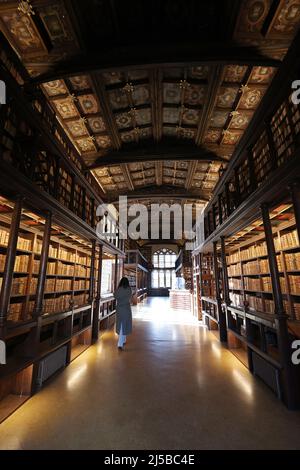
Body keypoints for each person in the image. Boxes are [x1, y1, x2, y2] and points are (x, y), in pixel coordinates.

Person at [114, 277, 132, 350]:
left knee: (121, 325)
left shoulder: (119, 289)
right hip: (127, 308)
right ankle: (124, 340)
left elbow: (115, 296)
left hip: (120, 309)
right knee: (125, 324)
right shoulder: (129, 289)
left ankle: (120, 344)